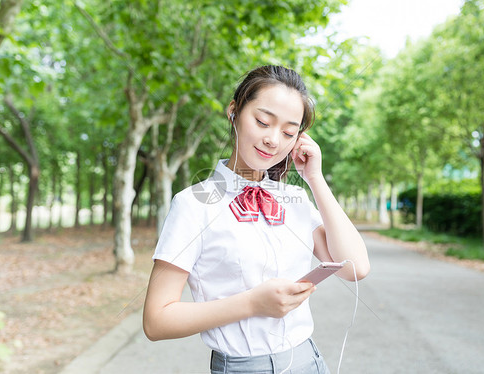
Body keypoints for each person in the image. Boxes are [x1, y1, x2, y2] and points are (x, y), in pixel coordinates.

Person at [143, 65, 370, 373]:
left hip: (310, 362)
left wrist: (315, 178)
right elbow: (156, 321)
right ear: (234, 112)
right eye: (263, 122)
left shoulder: (297, 200)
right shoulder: (193, 205)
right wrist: (251, 304)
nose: (273, 140)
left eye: (289, 132)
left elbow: (356, 268)